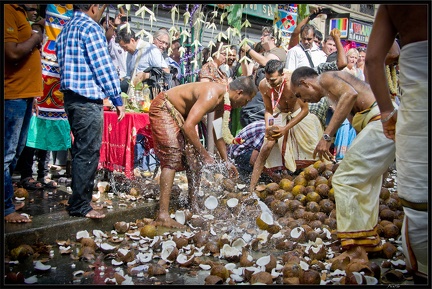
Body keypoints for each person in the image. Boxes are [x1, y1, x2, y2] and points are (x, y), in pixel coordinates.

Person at [291, 67, 396, 253]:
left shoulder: (326, 78)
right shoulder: (332, 95)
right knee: (366, 183)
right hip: (382, 123)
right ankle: (367, 241)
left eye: (300, 94)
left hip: (381, 121)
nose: (303, 100)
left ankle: (355, 249)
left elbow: (350, 94)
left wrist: (326, 136)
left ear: (305, 83)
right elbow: (356, 121)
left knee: (343, 181)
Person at [365, 4, 428, 283]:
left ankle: (424, 270)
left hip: (418, 109)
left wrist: (388, 112)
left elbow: (372, 60)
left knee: (419, 205)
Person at [149, 76, 257, 228]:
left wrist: (226, 160)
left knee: (194, 160)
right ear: (239, 93)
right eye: (246, 100)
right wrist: (205, 155)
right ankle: (163, 215)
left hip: (182, 115)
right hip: (164, 107)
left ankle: (193, 206)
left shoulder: (224, 99)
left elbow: (217, 131)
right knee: (172, 157)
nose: (244, 105)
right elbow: (189, 127)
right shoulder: (212, 94)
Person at [56, 4, 125, 219]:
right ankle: (80, 204)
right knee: (88, 152)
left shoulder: (66, 28)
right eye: (103, 7)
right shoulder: (90, 28)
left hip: (71, 98)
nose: (103, 12)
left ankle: (79, 200)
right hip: (86, 100)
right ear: (94, 7)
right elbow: (103, 67)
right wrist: (116, 96)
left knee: (80, 150)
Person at [248, 60, 323, 192]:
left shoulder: (294, 82)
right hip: (279, 115)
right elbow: (268, 110)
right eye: (268, 79)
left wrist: (285, 129)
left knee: (314, 151)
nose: (271, 83)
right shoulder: (264, 85)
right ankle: (250, 189)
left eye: (274, 80)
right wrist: (268, 127)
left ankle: (319, 185)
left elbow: (305, 110)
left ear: (283, 75)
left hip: (298, 115)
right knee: (266, 147)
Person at [24, 4, 74, 189]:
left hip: (59, 76)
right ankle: (28, 174)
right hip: (43, 75)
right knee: (35, 128)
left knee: (47, 129)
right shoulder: (38, 28)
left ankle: (42, 173)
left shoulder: (74, 13)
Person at [4, 4, 44, 223]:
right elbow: (12, 52)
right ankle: (6, 209)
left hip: (25, 94)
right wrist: (37, 36)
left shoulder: (18, 12)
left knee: (15, 152)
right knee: (7, 155)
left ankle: (6, 199)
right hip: (13, 94)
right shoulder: (7, 11)